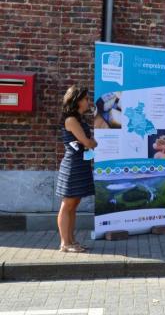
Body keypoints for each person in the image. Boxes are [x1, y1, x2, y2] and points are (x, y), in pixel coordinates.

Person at [56, 85, 98, 253]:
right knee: (67, 205)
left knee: (74, 204)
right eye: (86, 99)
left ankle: (71, 241)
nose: (88, 101)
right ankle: (64, 244)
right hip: (73, 166)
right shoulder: (71, 120)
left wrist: (89, 141)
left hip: (81, 164)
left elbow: (86, 142)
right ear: (77, 100)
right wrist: (91, 142)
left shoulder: (79, 119)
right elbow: (88, 142)